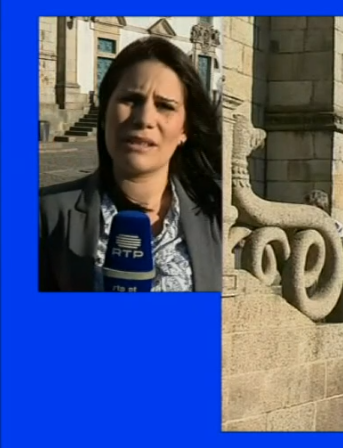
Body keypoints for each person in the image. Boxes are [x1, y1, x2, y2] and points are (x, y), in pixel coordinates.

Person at [39, 37, 222, 292]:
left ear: (185, 129)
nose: (144, 118)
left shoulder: (217, 213)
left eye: (165, 106)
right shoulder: (45, 214)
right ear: (104, 116)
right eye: (131, 100)